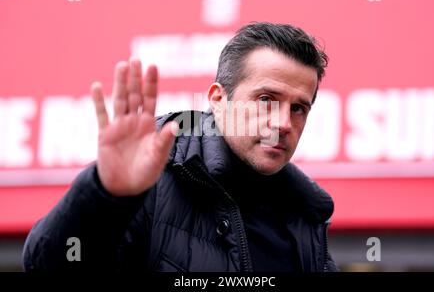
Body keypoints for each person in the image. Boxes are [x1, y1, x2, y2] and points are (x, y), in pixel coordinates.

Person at [23, 22, 338, 272]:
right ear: (217, 100)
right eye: (266, 99)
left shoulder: (306, 216)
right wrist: (104, 195)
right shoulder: (151, 177)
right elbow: (48, 263)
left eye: (299, 108)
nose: (284, 123)